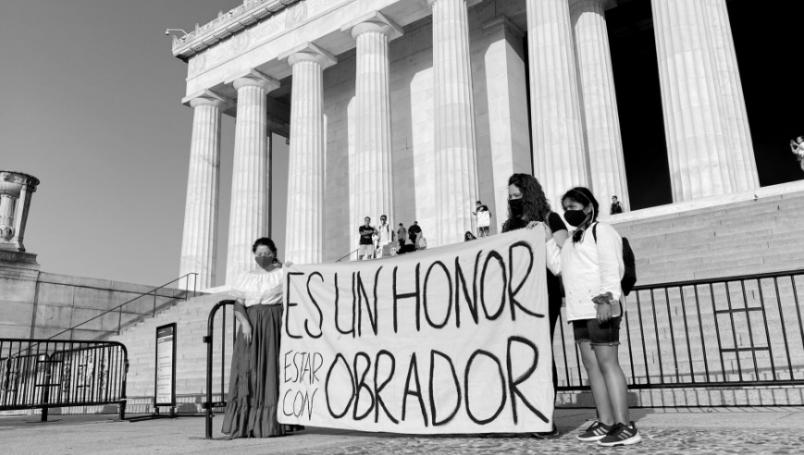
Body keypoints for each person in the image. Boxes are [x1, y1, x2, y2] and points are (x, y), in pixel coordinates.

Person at [543, 187, 641, 447]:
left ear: (588, 208)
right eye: (566, 209)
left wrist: (607, 299)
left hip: (601, 306)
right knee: (592, 366)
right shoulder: (575, 238)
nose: (569, 213)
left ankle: (625, 425)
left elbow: (612, 265)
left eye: (573, 208)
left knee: (608, 364)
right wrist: (546, 233)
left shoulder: (602, 231)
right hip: (579, 311)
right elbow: (557, 264)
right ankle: (606, 421)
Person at [501, 173, 568, 438]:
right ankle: (517, 415)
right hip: (517, 296)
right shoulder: (508, 225)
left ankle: (545, 417)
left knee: (541, 351)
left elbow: (566, 252)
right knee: (517, 355)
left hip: (544, 294)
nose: (513, 200)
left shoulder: (550, 218)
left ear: (529, 194)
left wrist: (545, 233)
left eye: (517, 196)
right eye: (510, 197)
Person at [222, 237, 290, 438]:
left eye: (267, 254)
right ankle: (246, 422)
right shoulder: (245, 277)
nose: (262, 257)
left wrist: (284, 265)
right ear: (254, 255)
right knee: (248, 369)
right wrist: (244, 323)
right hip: (250, 325)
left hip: (273, 324)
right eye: (259, 254)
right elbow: (238, 303)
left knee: (271, 370)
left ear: (273, 254)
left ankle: (271, 423)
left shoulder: (282, 274)